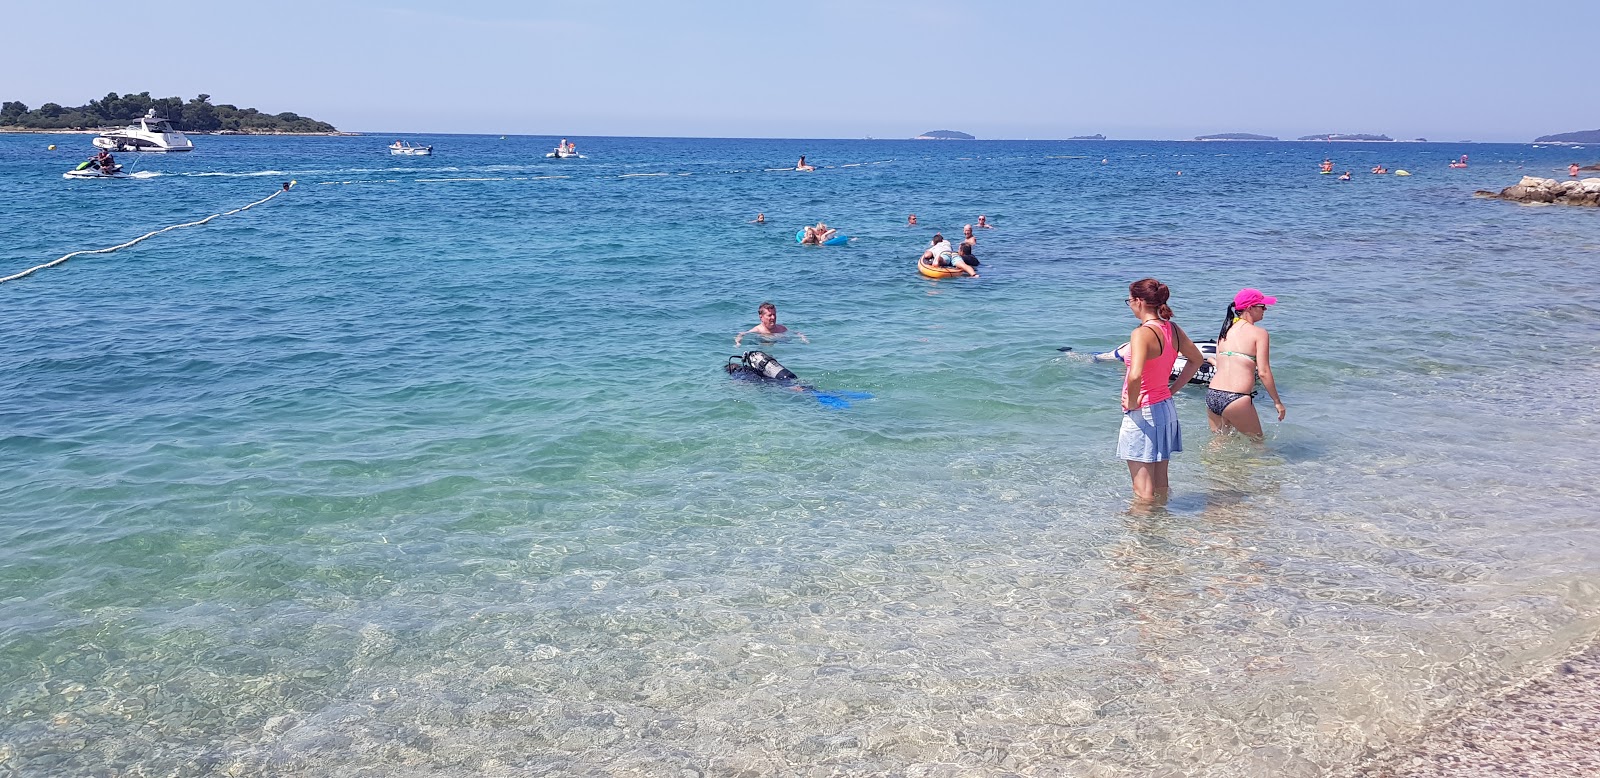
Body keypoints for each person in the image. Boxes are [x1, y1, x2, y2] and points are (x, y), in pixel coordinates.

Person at [1118, 278, 1205, 505]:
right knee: (1160, 483)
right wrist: (1172, 389)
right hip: (1165, 409)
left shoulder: (1142, 333)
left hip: (1144, 412)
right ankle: (1161, 527)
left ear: (1138, 301)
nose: (1130, 306)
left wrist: (1134, 402)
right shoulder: (1173, 329)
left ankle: (1142, 536)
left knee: (1142, 490)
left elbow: (1135, 375)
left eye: (1129, 301)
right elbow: (1196, 359)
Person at [1206, 288, 1285, 442]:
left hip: (1213, 395)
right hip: (1236, 398)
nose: (1265, 309)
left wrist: (1212, 361)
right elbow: (1263, 372)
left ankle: (1212, 467)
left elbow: (1223, 364)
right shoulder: (1259, 333)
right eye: (1262, 306)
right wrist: (1277, 402)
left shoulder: (1224, 332)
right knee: (1258, 444)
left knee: (1219, 443)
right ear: (1250, 308)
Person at [736, 302, 808, 346]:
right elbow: (742, 334)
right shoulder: (758, 330)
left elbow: (797, 333)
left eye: (774, 314)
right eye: (770, 315)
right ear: (761, 317)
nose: (773, 317)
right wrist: (738, 343)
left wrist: (803, 338)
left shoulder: (781, 328)